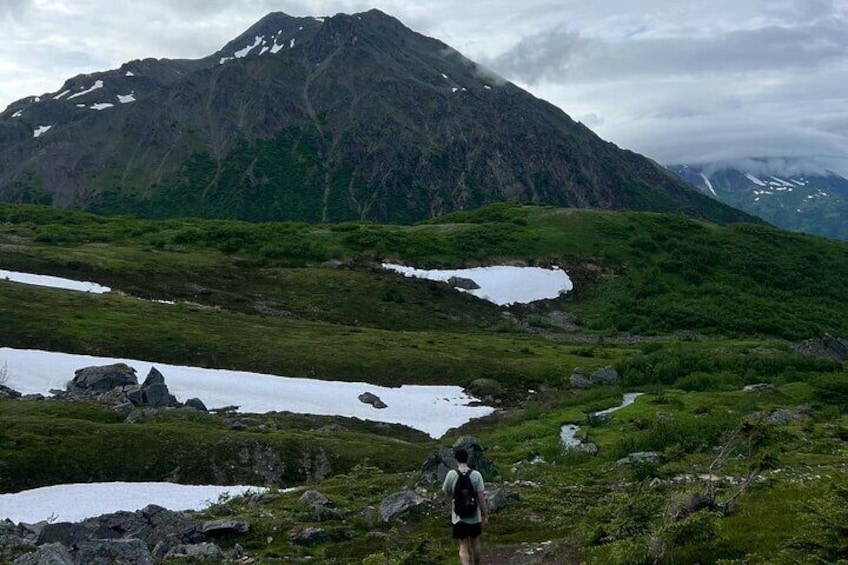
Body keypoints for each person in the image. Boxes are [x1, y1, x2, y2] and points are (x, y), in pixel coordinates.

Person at [442, 448, 488, 565]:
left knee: (463, 546)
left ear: (456, 459)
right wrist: (485, 515)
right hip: (474, 515)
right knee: (475, 543)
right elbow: (481, 498)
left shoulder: (451, 474)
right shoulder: (476, 475)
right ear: (467, 459)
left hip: (459, 517)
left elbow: (447, 493)